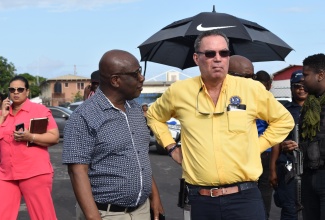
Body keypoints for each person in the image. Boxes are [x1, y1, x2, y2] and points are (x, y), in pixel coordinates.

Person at [147, 30, 294, 220]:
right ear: (196, 58)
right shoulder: (179, 91)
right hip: (201, 200)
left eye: (223, 53)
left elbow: (284, 121)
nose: (218, 59)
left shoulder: (251, 89)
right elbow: (154, 116)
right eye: (210, 53)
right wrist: (171, 146)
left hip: (245, 198)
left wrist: (256, 146)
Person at [62, 49, 164, 220]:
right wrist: (94, 217)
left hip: (142, 210)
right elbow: (77, 171)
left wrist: (155, 197)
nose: (142, 78)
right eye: (136, 73)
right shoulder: (84, 116)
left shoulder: (135, 110)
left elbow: (140, 158)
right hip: (107, 214)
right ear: (116, 80)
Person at [0, 75, 59, 220]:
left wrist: (30, 137)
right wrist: (2, 116)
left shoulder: (39, 110)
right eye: (12, 89)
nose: (16, 92)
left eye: (20, 89)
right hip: (7, 175)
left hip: (34, 173)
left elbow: (54, 136)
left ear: (27, 91)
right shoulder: (3, 113)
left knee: (43, 216)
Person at [269, 70, 307, 220]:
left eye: (304, 85)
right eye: (297, 85)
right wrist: (272, 170)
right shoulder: (283, 111)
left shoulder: (318, 109)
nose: (301, 88)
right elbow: (276, 141)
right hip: (288, 167)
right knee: (290, 209)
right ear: (291, 88)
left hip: (311, 168)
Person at [299, 53, 325, 220]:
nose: (302, 80)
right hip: (309, 175)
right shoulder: (310, 105)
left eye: (306, 75)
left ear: (320, 75)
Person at [254, 70, 273, 219]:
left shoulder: (249, 100)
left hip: (252, 152)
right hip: (265, 151)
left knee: (250, 191)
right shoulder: (270, 102)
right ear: (270, 85)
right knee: (263, 191)